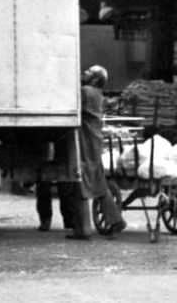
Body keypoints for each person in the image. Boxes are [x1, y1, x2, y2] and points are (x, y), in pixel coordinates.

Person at [67, 64, 126, 239]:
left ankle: (83, 229)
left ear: (94, 79)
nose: (84, 73)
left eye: (88, 72)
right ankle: (115, 220)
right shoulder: (97, 94)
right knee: (98, 183)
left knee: (81, 181)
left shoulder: (85, 92)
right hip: (93, 142)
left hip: (85, 142)